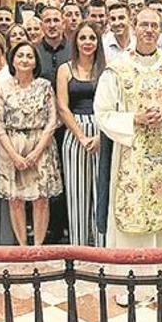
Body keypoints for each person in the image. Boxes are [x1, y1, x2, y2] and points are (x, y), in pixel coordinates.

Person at [94, 8, 162, 249]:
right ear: (134, 27)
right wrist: (134, 118)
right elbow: (102, 112)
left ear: (160, 31)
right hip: (132, 155)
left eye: (154, 26)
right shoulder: (117, 69)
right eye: (144, 25)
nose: (149, 30)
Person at [0, 42, 63, 245]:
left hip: (41, 146)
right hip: (11, 147)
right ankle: (23, 247)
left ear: (35, 62)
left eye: (29, 56)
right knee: (15, 201)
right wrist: (14, 155)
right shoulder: (3, 87)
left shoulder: (44, 86)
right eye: (20, 55)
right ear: (13, 60)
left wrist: (36, 152)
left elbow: (52, 122)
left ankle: (38, 247)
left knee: (41, 199)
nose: (24, 59)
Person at [56, 22, 105, 246]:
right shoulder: (65, 69)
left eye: (92, 38)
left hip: (103, 132)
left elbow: (113, 105)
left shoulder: (106, 69)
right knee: (77, 196)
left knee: (101, 193)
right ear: (76, 41)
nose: (87, 42)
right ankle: (79, 248)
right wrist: (82, 136)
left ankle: (102, 249)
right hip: (75, 134)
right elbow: (62, 107)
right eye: (83, 38)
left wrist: (100, 136)